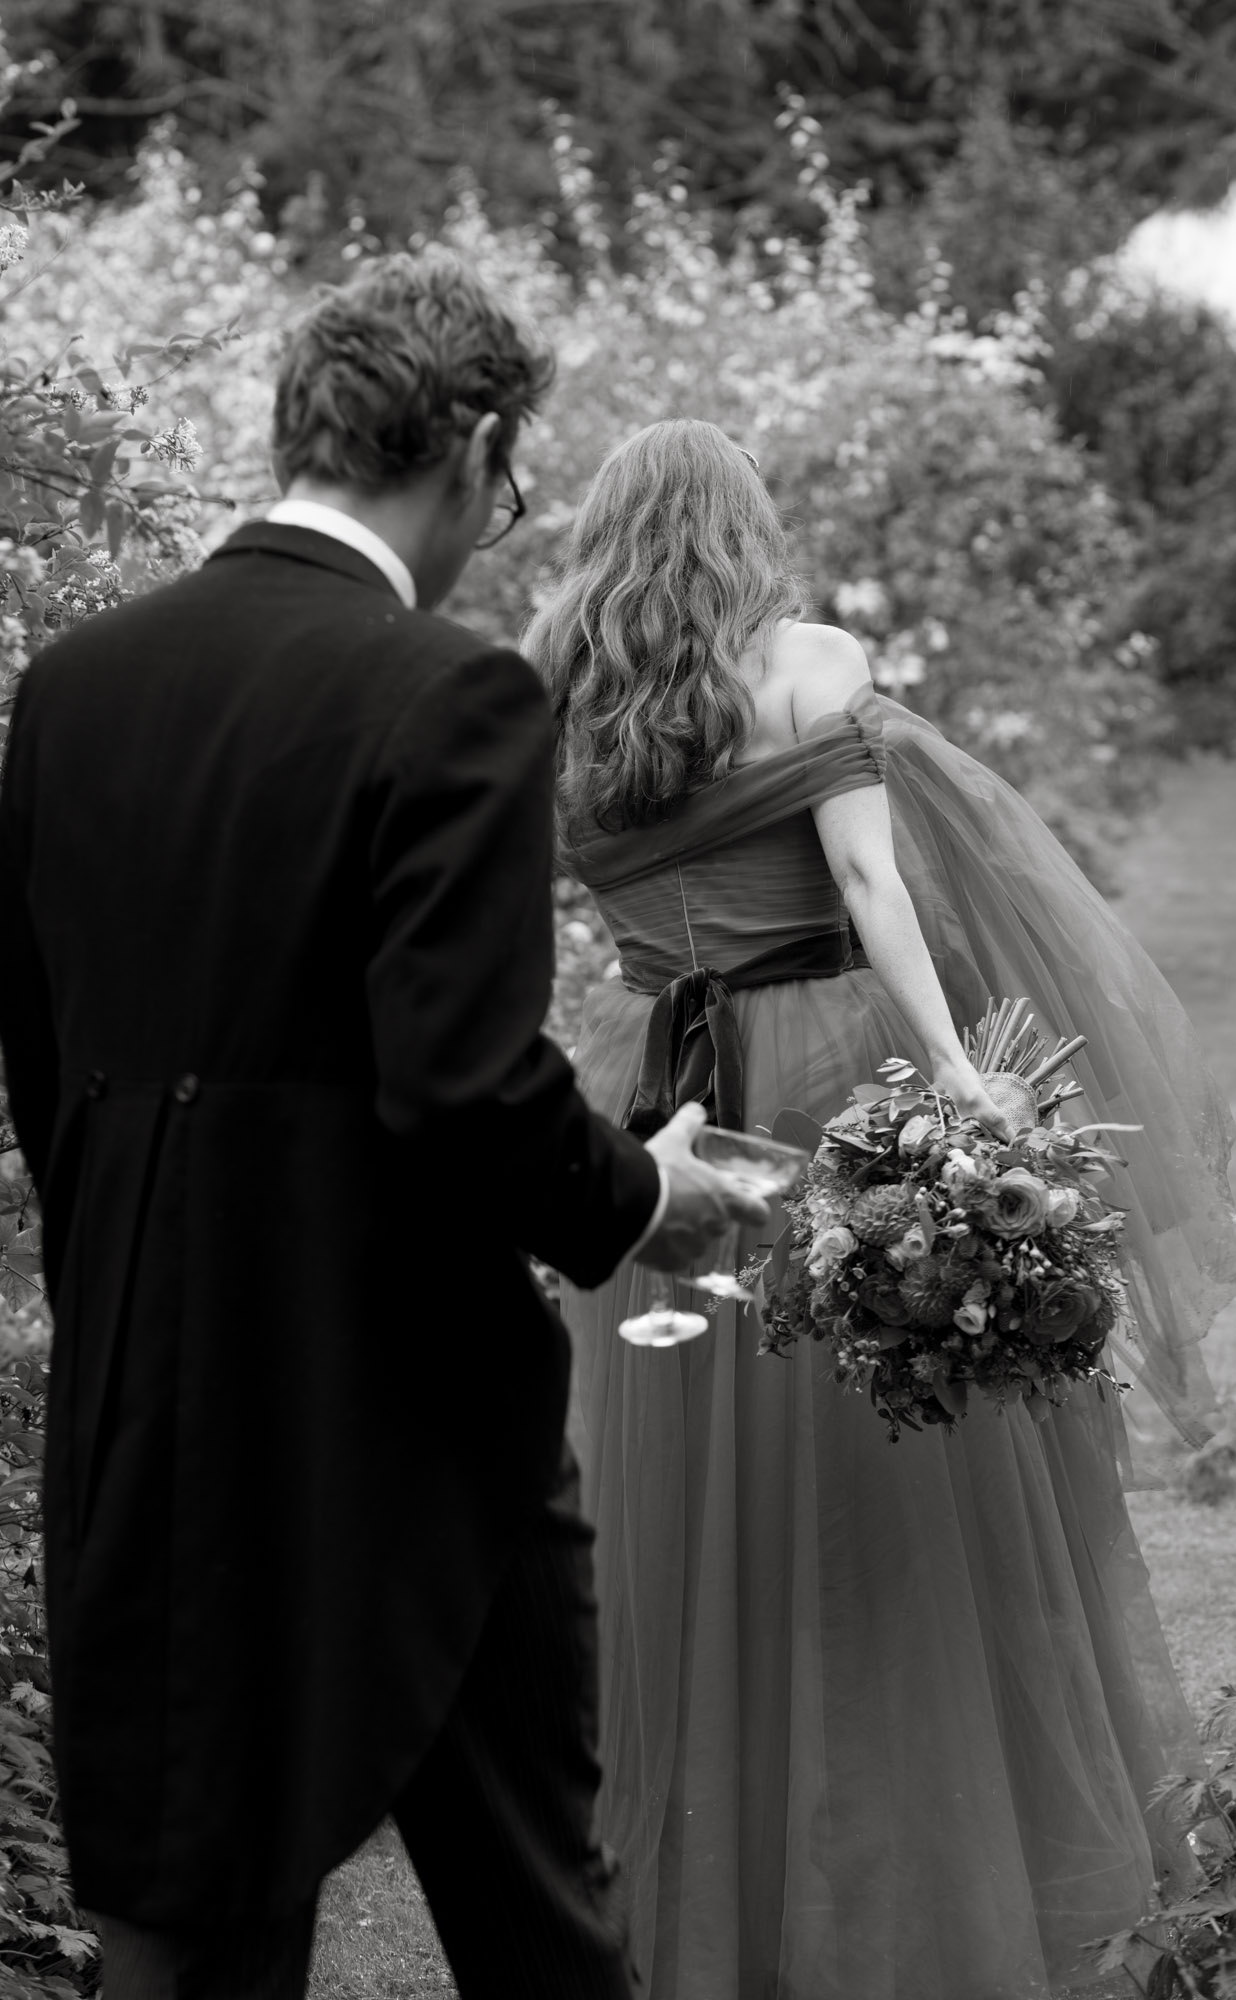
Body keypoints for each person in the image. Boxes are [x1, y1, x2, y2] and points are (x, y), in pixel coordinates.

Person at [0, 262, 768, 1999]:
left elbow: (44, 1063)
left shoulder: (78, 684)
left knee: (195, 1909)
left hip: (149, 1401)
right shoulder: (447, 694)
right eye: (509, 485)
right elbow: (461, 1085)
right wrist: (640, 1193)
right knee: (534, 1906)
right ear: (475, 448)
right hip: (414, 1411)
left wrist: (141, 1277)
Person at [525, 417, 1236, 2000]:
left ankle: (710, 1884)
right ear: (741, 527)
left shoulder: (556, 693)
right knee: (890, 1464)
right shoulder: (808, 665)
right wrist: (960, 1078)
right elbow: (867, 885)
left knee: (691, 1469)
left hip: (661, 1104)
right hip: (823, 1077)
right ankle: (925, 1838)